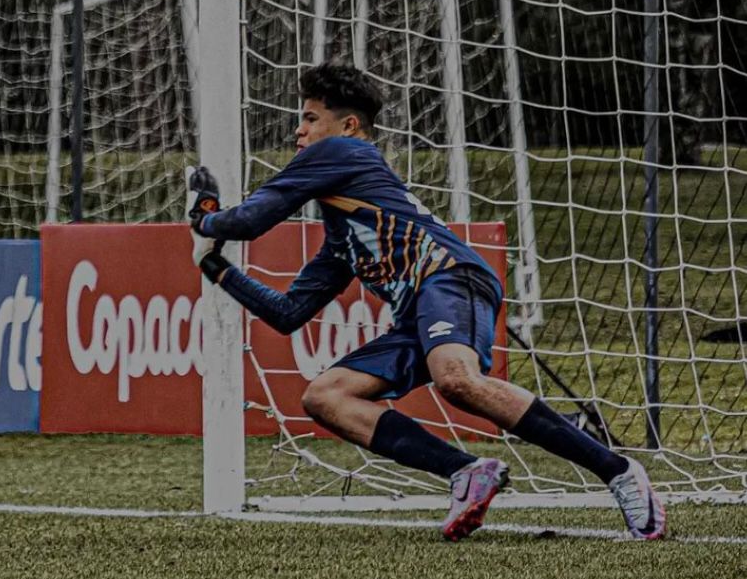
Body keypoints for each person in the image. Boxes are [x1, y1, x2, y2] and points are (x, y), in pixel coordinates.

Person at [188, 63, 665, 541]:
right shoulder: (342, 236)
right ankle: (466, 472)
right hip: (417, 311)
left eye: (311, 118)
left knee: (455, 379)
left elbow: (250, 219)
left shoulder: (345, 151)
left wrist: (206, 218)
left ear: (348, 126)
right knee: (325, 397)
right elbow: (288, 314)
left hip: (451, 277)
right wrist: (218, 269)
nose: (300, 129)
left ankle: (619, 470)